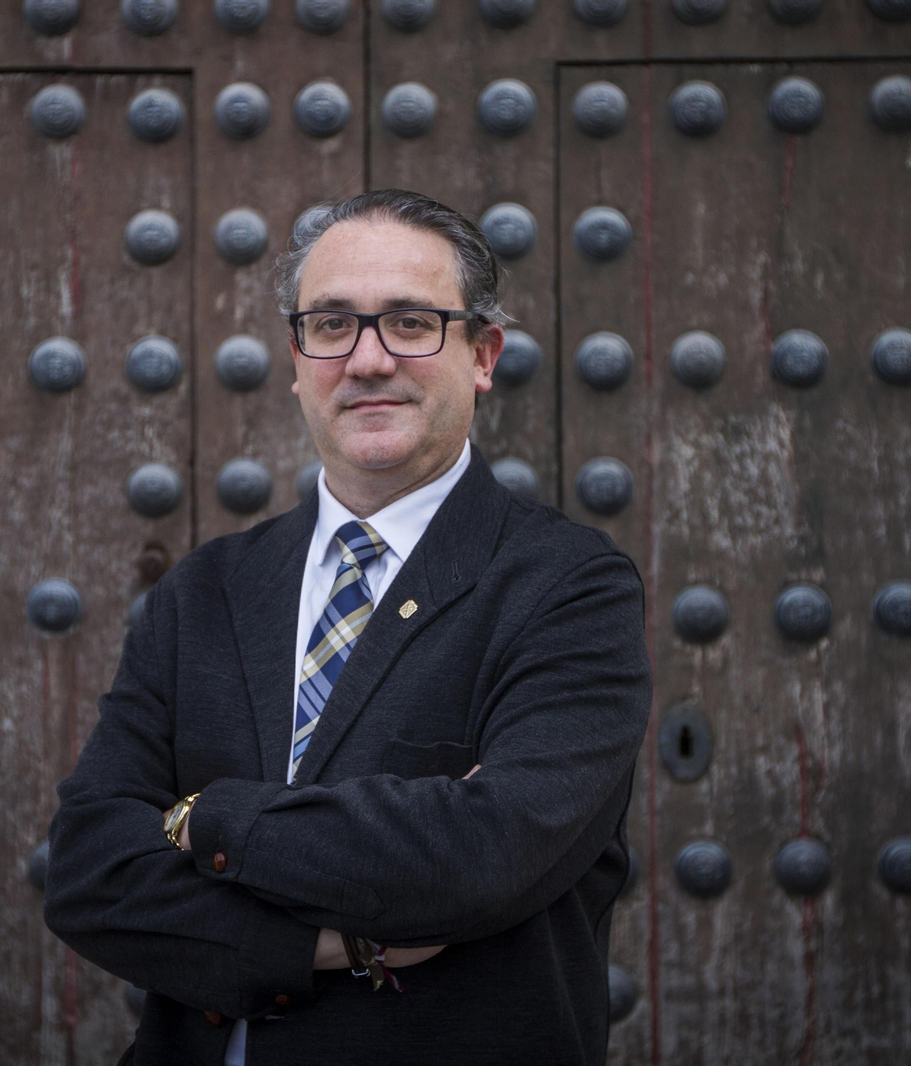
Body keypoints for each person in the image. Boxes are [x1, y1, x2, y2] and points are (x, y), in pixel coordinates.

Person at [42, 188, 652, 1066]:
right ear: (297, 360)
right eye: (332, 325)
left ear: (483, 355)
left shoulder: (568, 589)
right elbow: (89, 874)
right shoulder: (207, 588)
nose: (367, 360)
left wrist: (204, 818)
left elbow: (484, 853)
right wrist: (330, 945)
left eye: (411, 322)